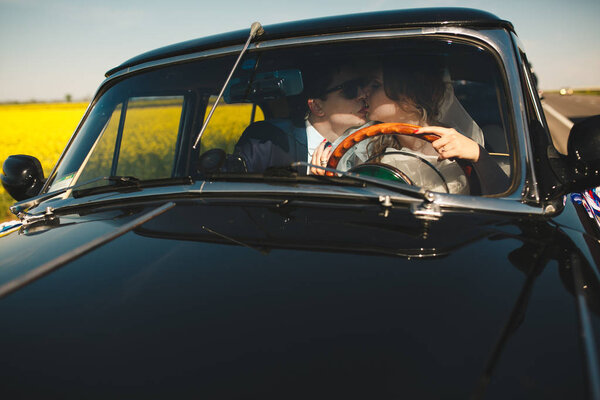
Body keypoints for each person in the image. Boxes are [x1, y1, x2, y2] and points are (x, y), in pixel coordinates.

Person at [329, 57, 509, 195]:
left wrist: (480, 156)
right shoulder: (366, 144)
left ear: (408, 97)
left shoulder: (457, 144)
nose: (363, 92)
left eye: (375, 85)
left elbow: (503, 199)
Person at [234, 61, 369, 174]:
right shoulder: (268, 143)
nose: (363, 94)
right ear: (317, 106)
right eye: (350, 89)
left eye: (363, 85)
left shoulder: (370, 145)